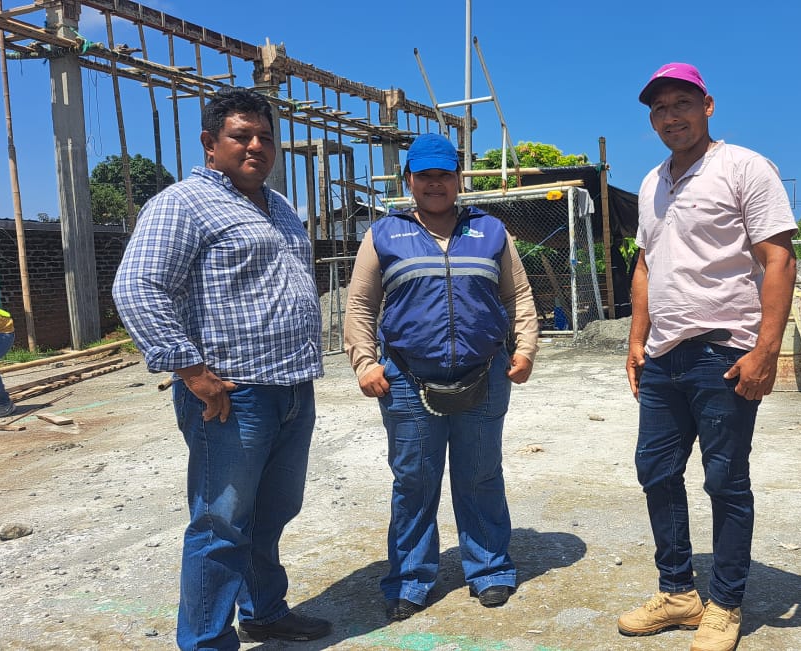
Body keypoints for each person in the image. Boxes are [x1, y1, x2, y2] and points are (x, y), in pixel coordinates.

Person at [112, 87, 330, 650]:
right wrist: (190, 370)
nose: (256, 146)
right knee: (221, 523)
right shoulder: (182, 203)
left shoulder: (281, 207)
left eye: (265, 137)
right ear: (211, 143)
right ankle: (206, 642)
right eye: (241, 136)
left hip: (291, 387)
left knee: (273, 511)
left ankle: (263, 612)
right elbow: (137, 287)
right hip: (233, 394)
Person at [617, 63, 798, 651]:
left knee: (724, 480)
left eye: (682, 104)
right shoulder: (652, 183)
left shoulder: (745, 167)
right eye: (660, 108)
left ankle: (725, 602)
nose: (671, 116)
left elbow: (779, 259)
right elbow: (645, 265)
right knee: (656, 471)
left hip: (724, 352)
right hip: (664, 356)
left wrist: (766, 349)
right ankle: (677, 593)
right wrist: (637, 341)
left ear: (707, 106)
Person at [343, 133, 539, 622]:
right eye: (425, 175)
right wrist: (365, 363)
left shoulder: (490, 231)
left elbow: (518, 294)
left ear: (458, 179)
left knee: (480, 476)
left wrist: (525, 348)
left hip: (484, 375)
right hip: (408, 380)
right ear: (408, 179)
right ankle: (410, 579)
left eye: (444, 175)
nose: (435, 184)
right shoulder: (383, 234)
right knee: (414, 481)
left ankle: (490, 569)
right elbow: (361, 304)